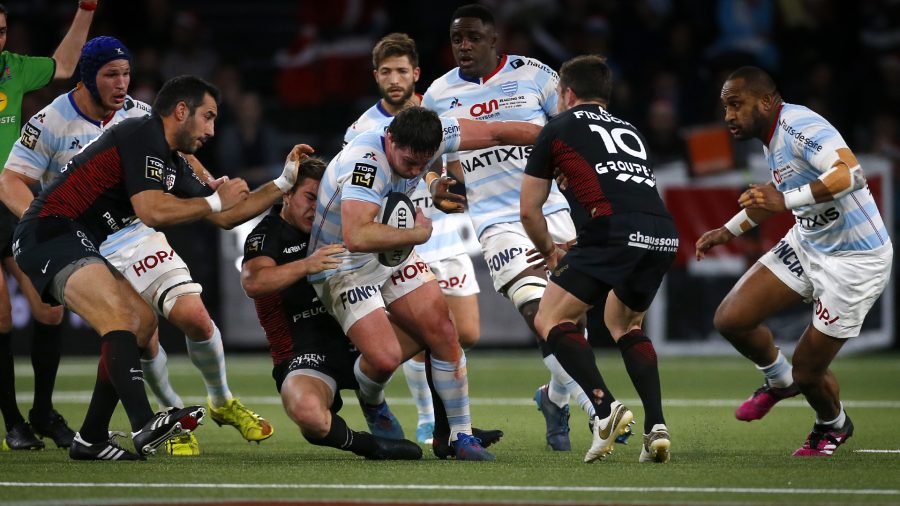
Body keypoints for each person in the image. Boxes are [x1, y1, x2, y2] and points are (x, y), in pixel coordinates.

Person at [0, 36, 273, 457]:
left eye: (127, 73)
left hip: (103, 231)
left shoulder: (143, 120)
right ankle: (146, 422)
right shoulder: (79, 122)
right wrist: (35, 222)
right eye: (112, 74)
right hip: (57, 229)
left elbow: (211, 206)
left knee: (142, 322)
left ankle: (90, 438)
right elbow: (152, 207)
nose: (122, 83)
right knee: (120, 321)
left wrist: (284, 183)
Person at [310, 106, 541, 461]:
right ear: (390, 139)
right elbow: (356, 235)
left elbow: (497, 132)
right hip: (340, 263)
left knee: (443, 331)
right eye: (408, 162)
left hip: (392, 249)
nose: (416, 170)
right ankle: (372, 401)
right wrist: (418, 232)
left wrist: (560, 141)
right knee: (385, 359)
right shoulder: (366, 160)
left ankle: (461, 436)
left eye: (424, 163)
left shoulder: (433, 135)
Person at [421, 3, 595, 452]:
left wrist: (567, 168)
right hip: (494, 218)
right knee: (538, 311)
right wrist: (438, 180)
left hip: (552, 210)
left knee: (571, 321)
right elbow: (424, 157)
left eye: (474, 37)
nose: (464, 46)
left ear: (494, 39)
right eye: (457, 38)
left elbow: (570, 128)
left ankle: (554, 398)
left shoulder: (535, 74)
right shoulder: (438, 94)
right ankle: (600, 409)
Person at [695, 66, 893, 457]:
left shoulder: (799, 125)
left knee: (809, 371)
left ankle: (832, 424)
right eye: (725, 107)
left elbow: (850, 173)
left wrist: (785, 201)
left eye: (735, 104)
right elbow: (776, 193)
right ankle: (778, 378)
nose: (728, 116)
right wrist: (728, 231)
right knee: (731, 319)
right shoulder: (770, 140)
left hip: (855, 261)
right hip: (809, 243)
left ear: (766, 101)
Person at [521, 55, 677, 464]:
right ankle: (656, 428)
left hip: (614, 232)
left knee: (550, 319)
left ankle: (605, 409)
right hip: (661, 232)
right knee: (624, 322)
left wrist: (552, 254)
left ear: (566, 93)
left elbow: (528, 211)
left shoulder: (558, 127)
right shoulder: (631, 129)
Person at [344, 33, 481, 446]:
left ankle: (437, 417)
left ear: (416, 73)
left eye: (402, 70)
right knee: (428, 330)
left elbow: (448, 168)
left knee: (466, 332)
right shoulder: (361, 130)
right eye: (386, 71)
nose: (394, 78)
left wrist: (442, 186)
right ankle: (433, 421)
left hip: (437, 233)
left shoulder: (435, 112)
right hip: (393, 245)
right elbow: (360, 197)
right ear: (376, 77)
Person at [241, 156, 422, 460]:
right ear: (287, 194)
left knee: (434, 327)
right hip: (306, 354)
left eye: (321, 198)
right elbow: (254, 282)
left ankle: (438, 425)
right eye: (309, 197)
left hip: (355, 334)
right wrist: (307, 265)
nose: (316, 207)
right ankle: (371, 446)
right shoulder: (268, 234)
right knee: (308, 414)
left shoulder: (337, 223)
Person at [0, 0, 97, 451]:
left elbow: (65, 64)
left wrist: (85, 8)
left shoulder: (13, 68)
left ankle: (42, 411)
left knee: (49, 309)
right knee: (1, 318)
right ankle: (13, 420)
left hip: (11, 197)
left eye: (2, 31)